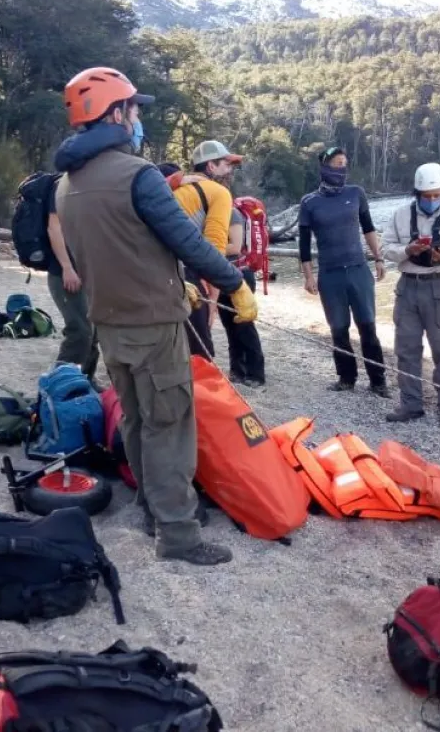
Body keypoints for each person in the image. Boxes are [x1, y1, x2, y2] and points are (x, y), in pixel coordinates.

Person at [52, 67, 257, 566]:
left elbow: (117, 249)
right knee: (169, 424)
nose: (138, 117)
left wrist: (169, 278)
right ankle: (179, 534)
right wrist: (235, 284)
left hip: (108, 322)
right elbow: (187, 243)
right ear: (116, 114)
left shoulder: (65, 186)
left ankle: (151, 507)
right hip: (151, 323)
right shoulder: (137, 175)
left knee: (137, 420)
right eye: (135, 108)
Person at [382, 162, 440, 425]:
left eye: (437, 196)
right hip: (408, 285)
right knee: (406, 348)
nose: (432, 200)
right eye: (427, 196)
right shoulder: (400, 215)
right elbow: (385, 247)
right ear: (417, 194)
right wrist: (407, 251)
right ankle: (411, 404)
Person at [299, 147, 389, 397]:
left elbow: (368, 228)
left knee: (368, 326)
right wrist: (308, 275)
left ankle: (378, 381)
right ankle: (347, 378)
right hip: (330, 274)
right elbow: (304, 244)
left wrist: (378, 258)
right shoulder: (309, 202)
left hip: (359, 270)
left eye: (344, 164)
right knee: (338, 329)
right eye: (337, 163)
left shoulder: (356, 193)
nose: (342, 169)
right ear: (325, 166)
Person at [172, 140, 243, 360]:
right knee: (200, 350)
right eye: (226, 164)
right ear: (210, 166)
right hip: (185, 273)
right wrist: (212, 303)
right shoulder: (218, 192)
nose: (230, 170)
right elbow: (214, 248)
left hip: (155, 270)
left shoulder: (179, 187)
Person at [44, 184, 103, 389]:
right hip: (65, 273)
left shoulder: (89, 183)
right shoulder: (61, 186)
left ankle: (86, 380)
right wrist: (67, 267)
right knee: (80, 331)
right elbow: (54, 227)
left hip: (88, 272)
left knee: (93, 332)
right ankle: (57, 384)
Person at [219, 205, 266, 387]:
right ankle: (237, 370)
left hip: (240, 275)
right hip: (222, 274)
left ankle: (256, 373)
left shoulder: (232, 213)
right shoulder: (213, 213)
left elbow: (235, 247)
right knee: (230, 326)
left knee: (244, 325)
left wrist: (203, 247)